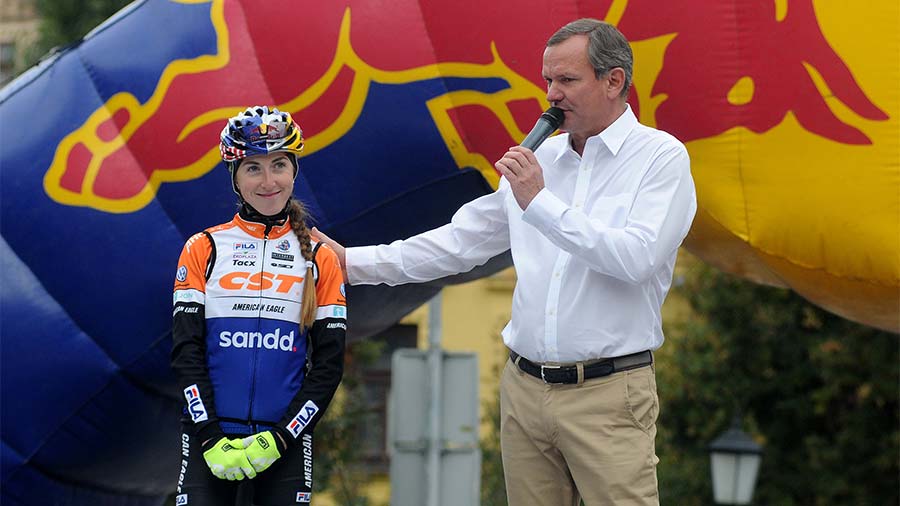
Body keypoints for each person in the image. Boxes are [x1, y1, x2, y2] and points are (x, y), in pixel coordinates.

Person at [314, 18, 696, 506]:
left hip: (608, 392)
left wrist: (540, 201)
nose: (552, 94)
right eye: (548, 80)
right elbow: (459, 242)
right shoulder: (542, 159)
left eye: (567, 80)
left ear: (614, 81)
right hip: (525, 389)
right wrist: (351, 264)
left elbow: (635, 258)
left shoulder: (661, 158)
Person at [171, 106, 347, 505]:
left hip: (285, 443)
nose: (269, 181)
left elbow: (329, 366)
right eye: (253, 168)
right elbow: (186, 353)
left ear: (294, 171)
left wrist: (282, 437)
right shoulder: (203, 248)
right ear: (235, 177)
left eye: (279, 165)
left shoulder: (321, 259)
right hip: (209, 437)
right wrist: (210, 437)